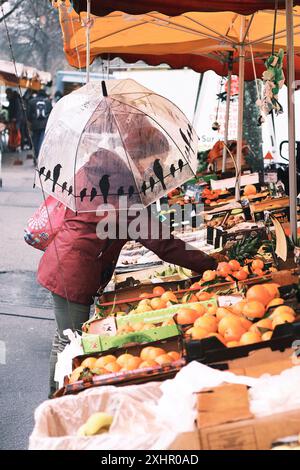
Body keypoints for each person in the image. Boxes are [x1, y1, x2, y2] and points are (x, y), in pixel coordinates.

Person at [27, 88, 52, 163]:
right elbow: (51, 113)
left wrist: (31, 122)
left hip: (34, 125)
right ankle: (40, 157)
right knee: (42, 141)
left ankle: (35, 156)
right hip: (44, 125)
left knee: (35, 141)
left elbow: (28, 114)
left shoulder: (31, 101)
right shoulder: (48, 102)